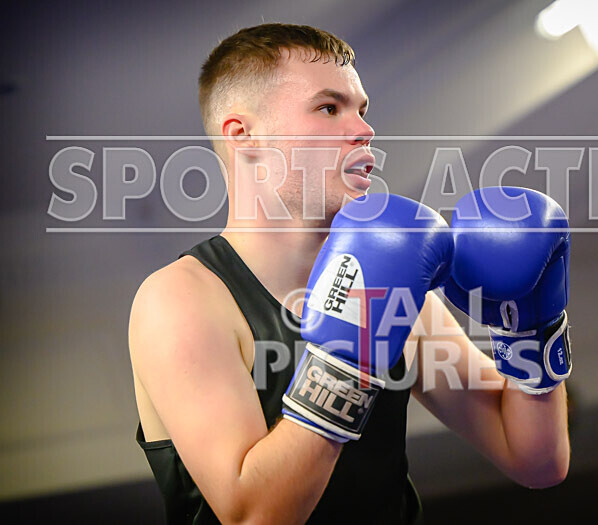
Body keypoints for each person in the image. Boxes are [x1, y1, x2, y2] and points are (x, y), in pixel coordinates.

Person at [129, 23, 570, 525]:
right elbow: (253, 516)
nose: (363, 129)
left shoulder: (399, 285)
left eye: (361, 109)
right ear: (244, 135)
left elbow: (536, 460)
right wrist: (347, 358)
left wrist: (532, 325)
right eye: (328, 107)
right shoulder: (181, 299)